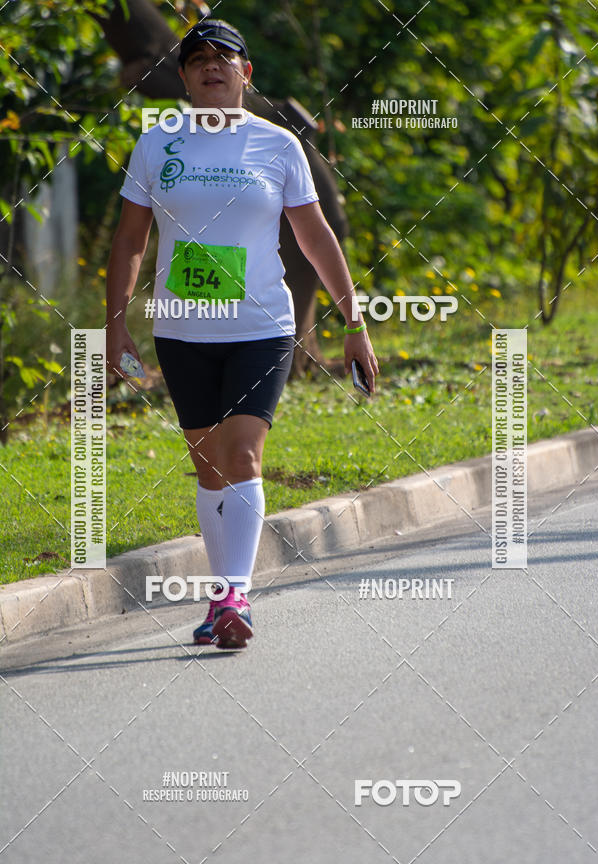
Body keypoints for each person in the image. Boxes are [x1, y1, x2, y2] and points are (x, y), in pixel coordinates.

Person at [105, 18, 378, 649]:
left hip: (262, 327)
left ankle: (235, 599)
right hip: (183, 329)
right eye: (197, 58)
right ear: (183, 76)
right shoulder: (157, 145)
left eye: (224, 57)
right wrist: (115, 325)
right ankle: (219, 597)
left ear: (244, 73)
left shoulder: (278, 145)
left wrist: (354, 323)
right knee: (207, 467)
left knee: (243, 455)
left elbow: (315, 237)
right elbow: (130, 241)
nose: (211, 66)